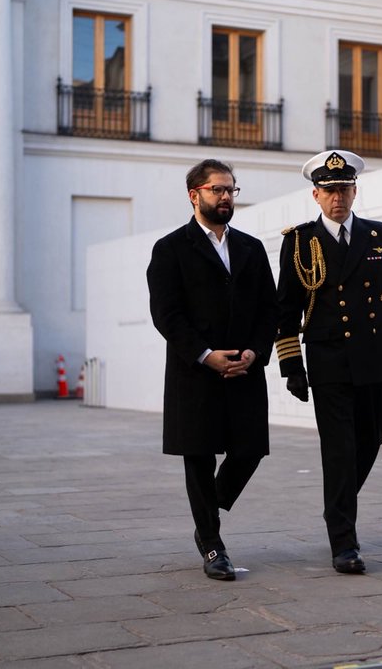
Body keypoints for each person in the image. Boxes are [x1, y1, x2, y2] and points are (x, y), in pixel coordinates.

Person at [275, 150, 382, 574]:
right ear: (315, 195)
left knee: (373, 437)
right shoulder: (299, 241)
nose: (338, 198)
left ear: (355, 190)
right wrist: (292, 366)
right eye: (329, 190)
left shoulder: (378, 235)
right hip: (329, 358)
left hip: (373, 355)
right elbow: (286, 310)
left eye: (345, 189)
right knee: (339, 449)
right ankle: (344, 542)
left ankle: (338, 505)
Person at [146, 159, 278, 581]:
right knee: (199, 458)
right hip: (196, 374)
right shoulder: (169, 249)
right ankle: (211, 544)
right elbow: (167, 315)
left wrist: (255, 353)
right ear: (194, 195)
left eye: (230, 190)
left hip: (244, 370)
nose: (225, 197)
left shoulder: (251, 248)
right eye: (217, 189)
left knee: (250, 449)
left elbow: (268, 310)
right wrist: (206, 354)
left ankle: (210, 506)